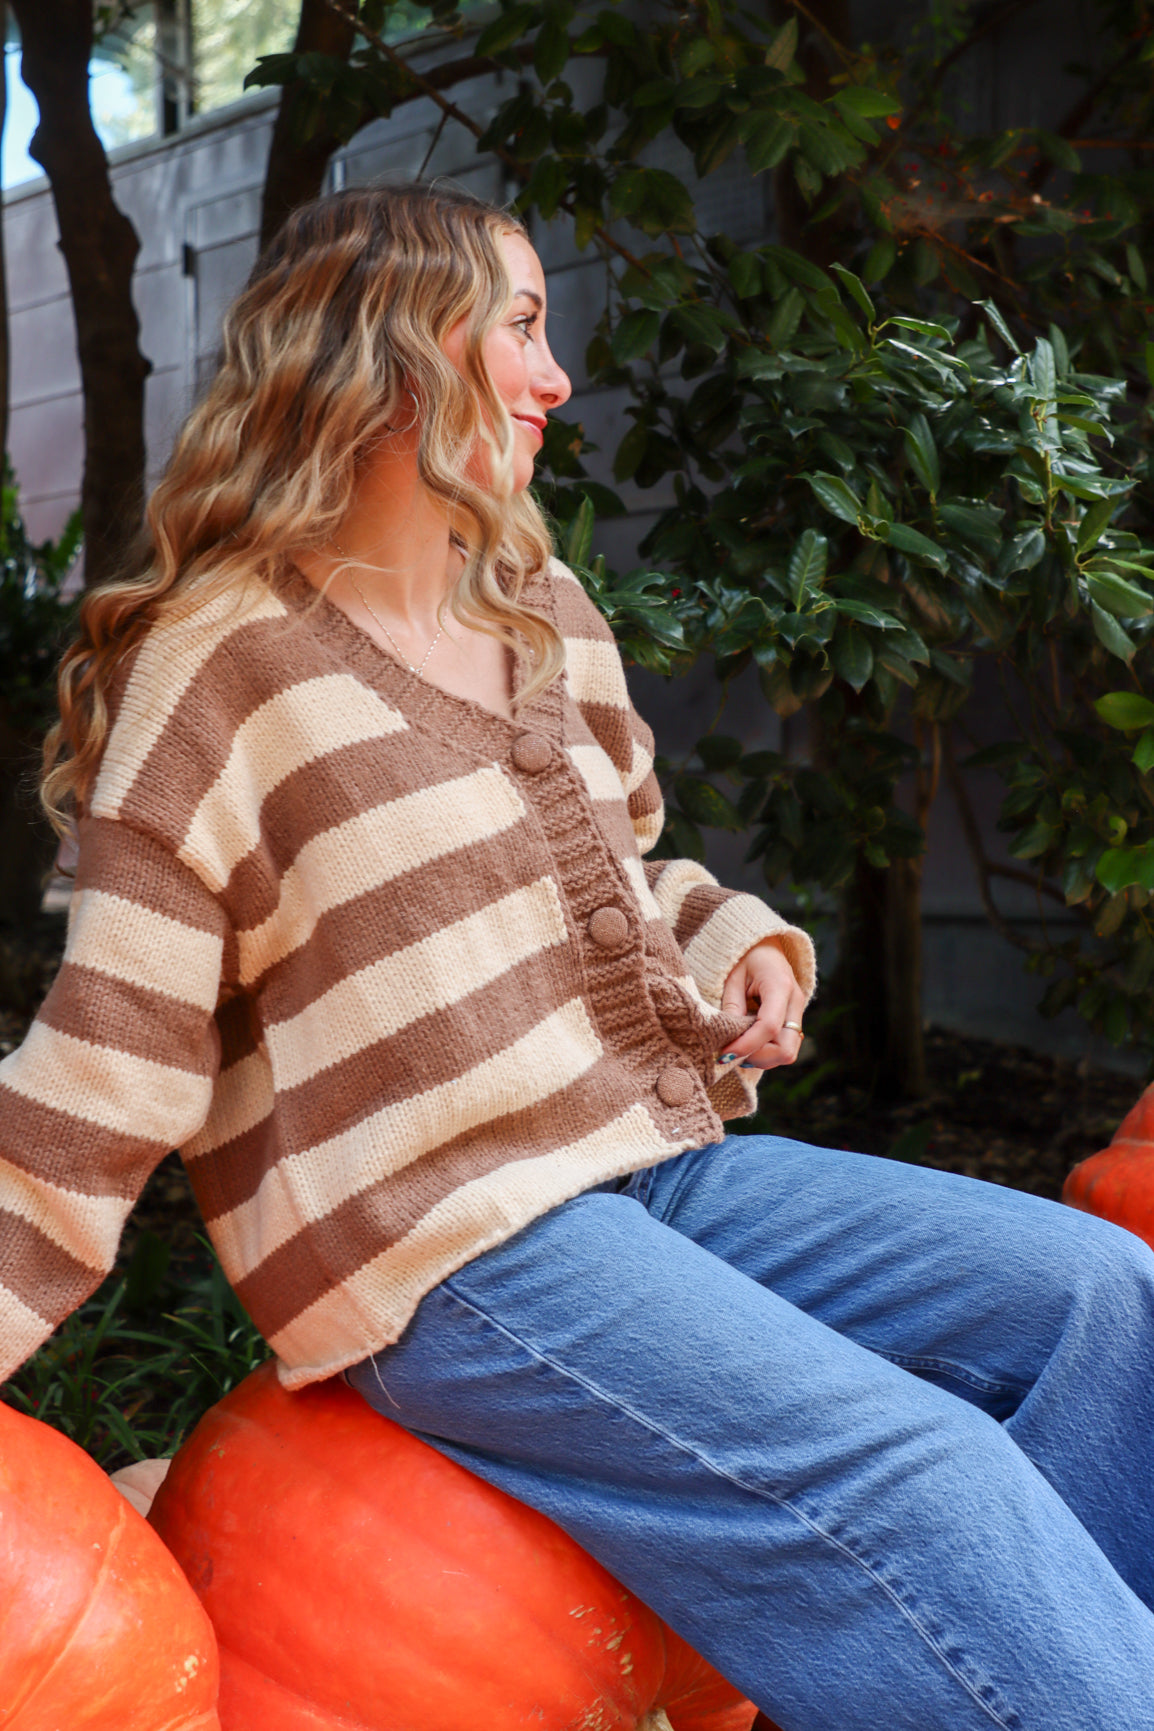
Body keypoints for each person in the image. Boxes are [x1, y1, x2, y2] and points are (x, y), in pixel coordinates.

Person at [4, 180, 1154, 1730]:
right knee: (919, 1474)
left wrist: (731, 940)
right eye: (523, 327)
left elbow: (618, 870)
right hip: (450, 1249)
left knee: (1103, 1293)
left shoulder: (538, 608)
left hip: (648, 1166)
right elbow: (109, 1065)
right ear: (394, 350)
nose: (554, 377)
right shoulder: (217, 668)